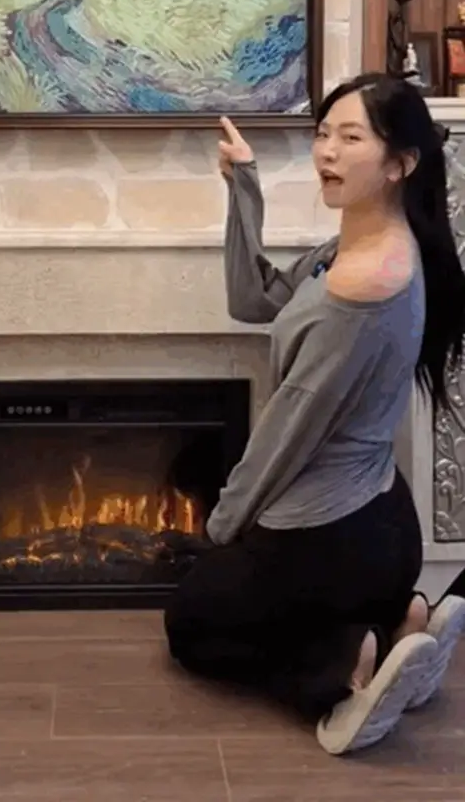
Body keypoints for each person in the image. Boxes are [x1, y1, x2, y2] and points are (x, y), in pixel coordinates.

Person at [165, 73, 465, 755]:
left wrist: (224, 527)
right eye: (324, 132)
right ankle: (400, 620)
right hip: (381, 527)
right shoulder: (353, 250)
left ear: (399, 164)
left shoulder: (363, 284)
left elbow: (285, 434)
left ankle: (336, 671)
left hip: (332, 542)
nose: (327, 150)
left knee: (190, 627)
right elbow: (254, 300)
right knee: (242, 593)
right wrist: (244, 185)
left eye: (351, 137)